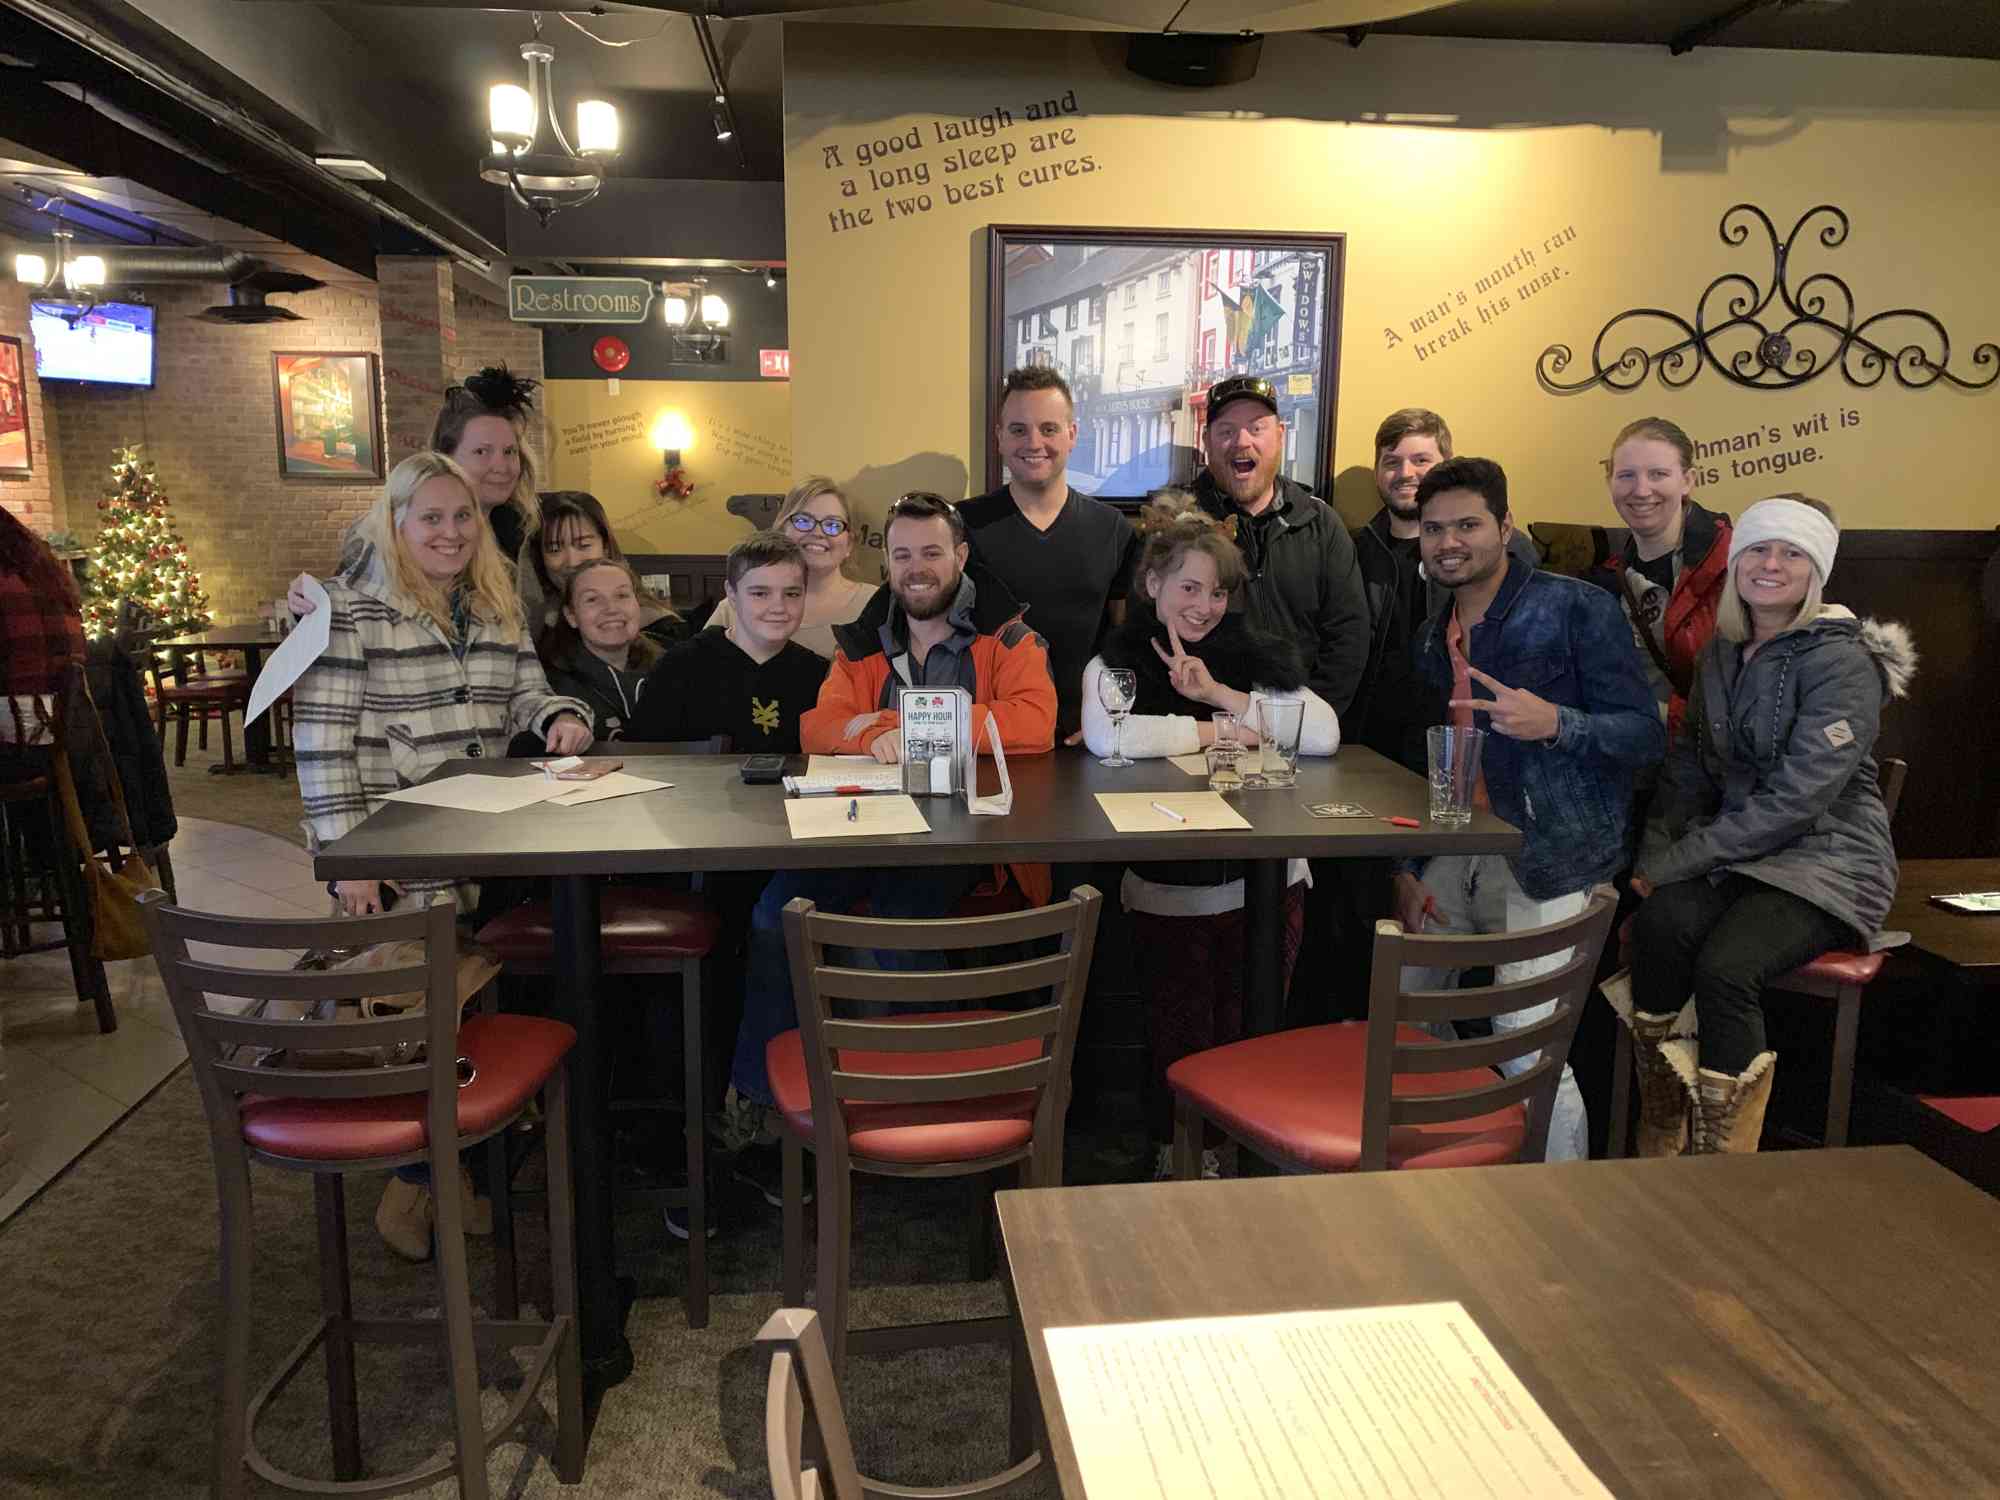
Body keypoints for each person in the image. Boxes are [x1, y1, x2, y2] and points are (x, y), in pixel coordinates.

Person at [292, 451, 592, 1258]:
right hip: (393, 849)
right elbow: (320, 741)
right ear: (395, 524)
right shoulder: (346, 610)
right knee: (412, 1022)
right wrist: (347, 860)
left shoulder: (496, 603)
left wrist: (561, 717)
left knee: (472, 1013)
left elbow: (526, 692)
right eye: (430, 517)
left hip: (486, 841)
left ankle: (448, 1177)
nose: (450, 532)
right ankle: (416, 1183)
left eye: (462, 517)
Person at [719, 492, 1057, 1203]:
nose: (916, 567)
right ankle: (763, 1107)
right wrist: (873, 731)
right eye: (902, 555)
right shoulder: (862, 639)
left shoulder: (1011, 636)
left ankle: (916, 1109)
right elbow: (818, 726)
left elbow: (1034, 722)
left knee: (897, 926)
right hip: (865, 830)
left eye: (931, 552)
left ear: (960, 556)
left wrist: (920, 722)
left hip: (971, 842)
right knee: (774, 916)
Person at [1392, 456, 1665, 1162]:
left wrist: (1556, 723)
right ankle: (1447, 1175)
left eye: (1468, 525)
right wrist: (1409, 865)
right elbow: (1428, 766)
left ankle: (1555, 1199)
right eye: (1434, 529)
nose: (1449, 542)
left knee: (1526, 1047)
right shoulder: (1430, 635)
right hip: (1456, 849)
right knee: (1404, 1018)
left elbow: (1646, 735)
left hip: (1552, 856)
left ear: (1505, 526)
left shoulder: (1577, 608)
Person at [1623, 496, 1913, 1155]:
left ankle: (1724, 1161)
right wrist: (1652, 861)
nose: (1771, 564)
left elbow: (1796, 802)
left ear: (1818, 571)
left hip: (1830, 861)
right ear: (1737, 562)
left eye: (1792, 553)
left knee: (1727, 968)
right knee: (1660, 927)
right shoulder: (1722, 654)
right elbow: (1687, 771)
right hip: (1741, 855)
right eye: (1757, 548)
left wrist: (1678, 862)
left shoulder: (1846, 663)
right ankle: (1663, 1123)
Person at [1081, 491, 1336, 1179]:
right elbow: (1109, 734)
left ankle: (1244, 1157)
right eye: (1189, 588)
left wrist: (1220, 694)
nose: (1204, 605)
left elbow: (1322, 733)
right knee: (1182, 1034)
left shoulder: (1254, 651)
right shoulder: (1118, 656)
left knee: (1253, 1030)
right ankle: (1184, 1155)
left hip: (1271, 880)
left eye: (1218, 592)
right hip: (1171, 882)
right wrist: (1225, 730)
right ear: (1153, 584)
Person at [1350, 407, 1538, 759]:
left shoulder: (1504, 549)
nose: (1405, 474)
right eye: (1392, 462)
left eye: (1421, 460)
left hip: (1474, 741)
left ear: (1446, 465)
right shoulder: (1354, 550)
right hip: (1374, 743)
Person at [962, 366, 1138, 740]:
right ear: (999, 437)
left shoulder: (1112, 528)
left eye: (1049, 429)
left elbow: (1125, 637)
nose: (1034, 442)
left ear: (1072, 435)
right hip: (990, 735)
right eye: (1018, 429)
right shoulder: (962, 526)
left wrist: (1110, 716)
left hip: (1085, 736)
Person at [289, 366, 544, 614]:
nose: (501, 466)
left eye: (509, 451)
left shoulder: (522, 529)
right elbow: (344, 606)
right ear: (446, 457)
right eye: (482, 451)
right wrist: (311, 602)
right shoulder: (386, 533)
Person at [1190, 374, 1370, 717]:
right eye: (1226, 431)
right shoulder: (1179, 527)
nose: (1242, 441)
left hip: (1304, 731)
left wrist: (1307, 721)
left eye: (1256, 428)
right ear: (1207, 442)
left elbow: (1349, 636)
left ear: (1280, 436)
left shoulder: (1322, 523)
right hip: (1207, 728)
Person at [1586, 418, 1733, 739]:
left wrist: (1653, 714)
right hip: (1641, 753)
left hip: (1718, 756)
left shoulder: (1738, 563)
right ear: (1610, 481)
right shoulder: (1606, 582)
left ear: (1687, 480)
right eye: (1626, 475)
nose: (1641, 490)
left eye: (1658, 474)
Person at [630, 532, 830, 752]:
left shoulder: (818, 674)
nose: (778, 607)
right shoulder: (679, 667)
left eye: (792, 594)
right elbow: (644, 757)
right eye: (760, 594)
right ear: (732, 595)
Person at [705, 477, 877, 659]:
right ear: (782, 531)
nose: (817, 532)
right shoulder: (736, 606)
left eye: (833, 525)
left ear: (849, 543)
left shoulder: (877, 604)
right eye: (803, 521)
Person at [529, 489, 683, 649]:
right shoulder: (535, 624)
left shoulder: (659, 629)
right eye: (554, 549)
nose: (572, 561)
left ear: (606, 548)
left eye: (584, 545)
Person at [536, 558, 663, 742]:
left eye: (622, 595)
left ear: (638, 605)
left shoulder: (670, 670)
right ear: (571, 616)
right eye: (592, 599)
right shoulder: (550, 688)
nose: (611, 609)